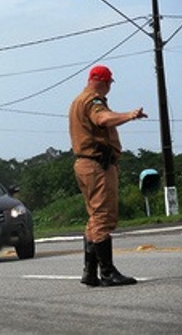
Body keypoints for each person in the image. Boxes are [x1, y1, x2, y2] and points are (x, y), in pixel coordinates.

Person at [69, 65, 147, 287]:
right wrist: (129, 115)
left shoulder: (78, 101)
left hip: (86, 164)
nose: (110, 87)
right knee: (103, 217)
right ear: (101, 81)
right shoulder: (93, 101)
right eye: (109, 83)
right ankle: (107, 272)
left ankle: (90, 272)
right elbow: (102, 119)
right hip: (97, 165)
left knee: (94, 217)